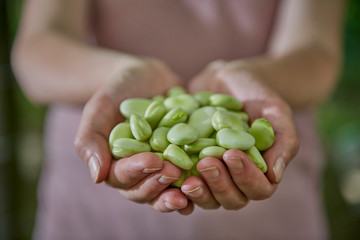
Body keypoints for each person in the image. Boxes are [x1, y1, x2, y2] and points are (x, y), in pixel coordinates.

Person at [12, 0, 344, 239]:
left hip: (266, 220)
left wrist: (252, 79)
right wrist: (116, 74)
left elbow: (317, 52)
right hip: (92, 214)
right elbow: (35, 51)